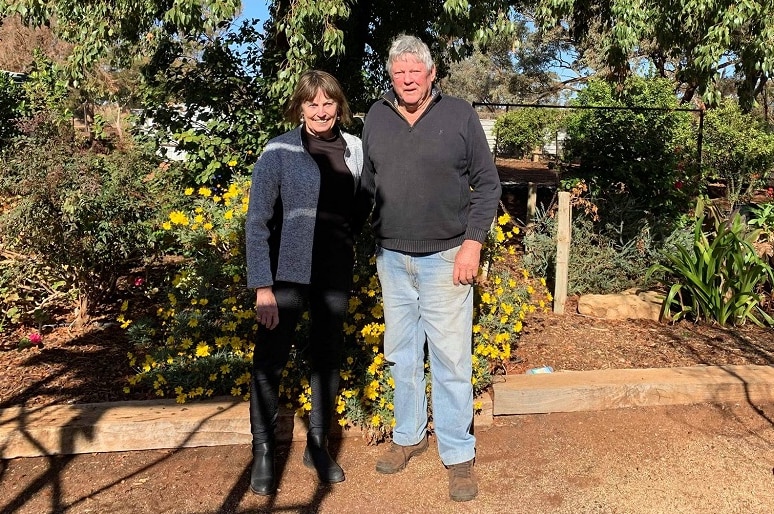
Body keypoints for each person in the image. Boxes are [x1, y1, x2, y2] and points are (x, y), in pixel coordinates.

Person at [360, 34, 502, 502]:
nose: (406, 79)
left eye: (414, 71)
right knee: (401, 354)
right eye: (399, 72)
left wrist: (472, 244)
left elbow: (488, 184)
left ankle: (459, 455)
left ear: (431, 73)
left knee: (450, 359)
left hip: (447, 258)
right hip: (393, 258)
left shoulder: (460, 115)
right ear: (392, 75)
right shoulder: (377, 117)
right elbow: (368, 185)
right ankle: (409, 436)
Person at [245, 70, 365, 496]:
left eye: (328, 102)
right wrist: (262, 285)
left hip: (333, 273)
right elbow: (257, 220)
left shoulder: (354, 149)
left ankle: (317, 443)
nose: (320, 111)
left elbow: (362, 207)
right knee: (270, 359)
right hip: (285, 274)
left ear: (338, 105)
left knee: (326, 358)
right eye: (311, 103)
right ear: (299, 107)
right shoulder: (278, 150)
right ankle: (262, 448)